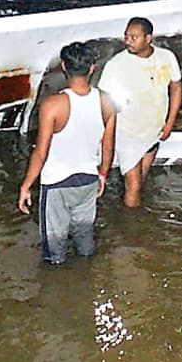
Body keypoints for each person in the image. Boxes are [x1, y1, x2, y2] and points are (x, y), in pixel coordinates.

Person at [18, 42, 118, 265]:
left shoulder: (53, 104)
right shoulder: (107, 102)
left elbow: (40, 153)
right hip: (88, 180)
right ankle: (87, 280)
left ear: (64, 66)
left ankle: (57, 289)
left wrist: (26, 186)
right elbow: (108, 146)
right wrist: (102, 174)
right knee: (85, 239)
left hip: (57, 184)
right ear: (92, 67)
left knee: (55, 248)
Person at [97, 17, 182, 208]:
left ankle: (125, 210)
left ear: (148, 38)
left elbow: (176, 87)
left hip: (154, 130)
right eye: (126, 36)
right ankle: (133, 229)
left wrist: (170, 122)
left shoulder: (166, 57)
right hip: (127, 132)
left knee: (140, 182)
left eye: (134, 37)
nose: (128, 41)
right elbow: (104, 99)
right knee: (134, 187)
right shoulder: (116, 64)